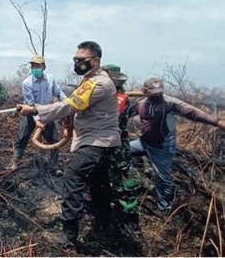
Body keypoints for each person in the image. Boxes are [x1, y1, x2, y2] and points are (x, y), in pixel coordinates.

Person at [18, 41, 120, 247]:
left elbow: (70, 104)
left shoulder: (98, 83)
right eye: (75, 59)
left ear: (96, 60)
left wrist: (36, 110)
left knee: (72, 180)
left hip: (96, 142)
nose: (77, 63)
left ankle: (68, 235)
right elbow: (75, 104)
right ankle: (104, 221)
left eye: (81, 60)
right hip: (98, 141)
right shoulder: (89, 80)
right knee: (99, 183)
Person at [130, 78, 225, 213]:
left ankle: (165, 207)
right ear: (145, 91)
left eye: (159, 92)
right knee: (122, 150)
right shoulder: (141, 104)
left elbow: (193, 113)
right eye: (154, 92)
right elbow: (124, 113)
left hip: (162, 147)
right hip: (143, 142)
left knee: (162, 177)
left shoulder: (170, 103)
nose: (158, 95)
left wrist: (217, 122)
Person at [11, 55, 67, 176]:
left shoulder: (51, 79)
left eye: (37, 66)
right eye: (32, 66)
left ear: (44, 67)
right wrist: (37, 121)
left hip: (47, 113)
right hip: (31, 114)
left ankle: (54, 166)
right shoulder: (26, 83)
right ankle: (15, 163)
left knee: (54, 140)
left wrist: (68, 105)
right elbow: (30, 104)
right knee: (22, 138)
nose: (34, 68)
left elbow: (59, 93)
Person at [102, 64, 140, 232]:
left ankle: (128, 216)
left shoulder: (118, 99)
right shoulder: (111, 96)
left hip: (116, 146)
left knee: (124, 181)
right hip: (105, 143)